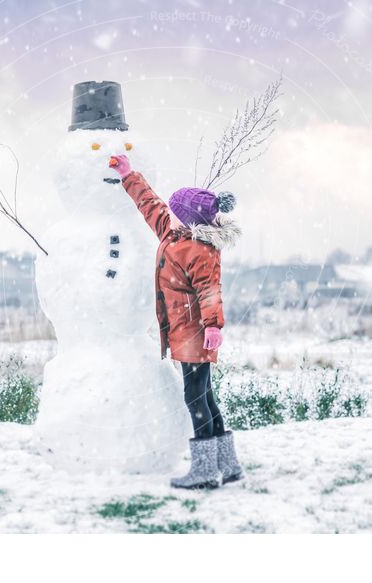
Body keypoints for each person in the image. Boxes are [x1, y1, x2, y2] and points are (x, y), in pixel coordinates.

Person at [109, 154, 244, 489]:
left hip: (195, 333)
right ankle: (227, 466)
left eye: (176, 209)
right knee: (205, 395)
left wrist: (213, 326)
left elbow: (210, 291)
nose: (169, 213)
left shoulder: (201, 249)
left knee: (195, 397)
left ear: (189, 217)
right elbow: (151, 206)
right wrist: (129, 175)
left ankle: (203, 472)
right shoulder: (176, 235)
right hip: (186, 332)